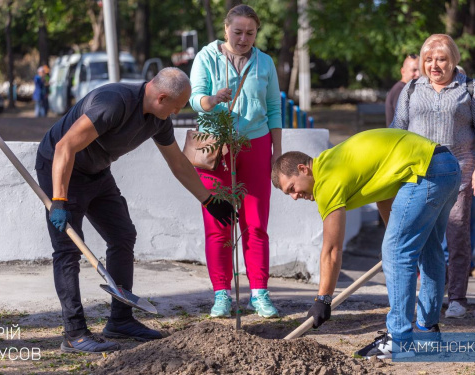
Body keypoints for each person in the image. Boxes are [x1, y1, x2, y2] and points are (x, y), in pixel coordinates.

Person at [35, 68, 235, 354]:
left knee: (123, 235)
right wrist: (58, 199)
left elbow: (178, 163)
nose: (176, 114)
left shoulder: (158, 119)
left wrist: (208, 200)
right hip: (61, 170)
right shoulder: (113, 102)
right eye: (176, 108)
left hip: (97, 171)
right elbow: (65, 146)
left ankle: (120, 320)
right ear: (161, 97)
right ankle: (74, 334)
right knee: (67, 249)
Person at [271, 128, 461, 359]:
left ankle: (399, 338)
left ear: (303, 169)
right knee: (429, 252)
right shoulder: (337, 161)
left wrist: (323, 299)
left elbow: (332, 250)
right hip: (446, 166)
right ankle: (427, 333)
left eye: (292, 188)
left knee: (397, 251)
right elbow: (382, 192)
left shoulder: (326, 179)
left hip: (425, 172)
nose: (294, 196)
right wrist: (397, 242)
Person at [189, 4, 282, 319]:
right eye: (238, 31)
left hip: (255, 144)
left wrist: (276, 151)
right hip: (215, 146)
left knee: (256, 223)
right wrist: (211, 101)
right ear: (225, 28)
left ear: (257, 33)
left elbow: (273, 108)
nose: (243, 38)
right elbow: (194, 97)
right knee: (218, 223)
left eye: (250, 33)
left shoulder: (265, 62)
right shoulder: (206, 57)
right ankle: (221, 295)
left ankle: (259, 292)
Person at [390, 34, 475, 319]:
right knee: (426, 237)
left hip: (460, 170)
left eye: (440, 59)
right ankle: (432, 298)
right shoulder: (412, 89)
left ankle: (458, 298)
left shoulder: (468, 89)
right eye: (428, 60)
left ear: (453, 60)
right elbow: (397, 129)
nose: (434, 65)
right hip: (420, 173)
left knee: (456, 233)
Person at [385, 54, 420, 126]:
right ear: (403, 71)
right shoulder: (401, 90)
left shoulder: (406, 88)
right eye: (414, 70)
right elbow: (401, 122)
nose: (418, 74)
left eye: (420, 70)